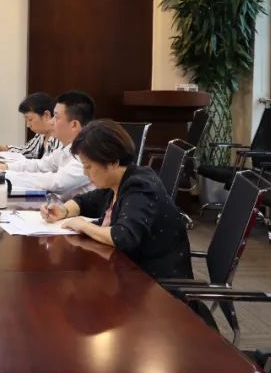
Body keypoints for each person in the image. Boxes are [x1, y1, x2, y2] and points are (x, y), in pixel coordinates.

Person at [42, 118, 193, 281]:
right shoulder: (117, 183)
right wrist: (64, 211)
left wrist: (83, 226)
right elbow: (85, 201)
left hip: (155, 285)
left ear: (113, 162)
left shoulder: (140, 186)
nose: (85, 173)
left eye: (88, 166)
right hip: (127, 273)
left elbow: (123, 237)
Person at [0, 90, 95, 200]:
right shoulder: (66, 148)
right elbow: (40, 165)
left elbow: (56, 182)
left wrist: (5, 175)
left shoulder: (87, 153)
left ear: (74, 125)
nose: (51, 122)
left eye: (56, 117)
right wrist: (8, 167)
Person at [0, 92, 61, 159]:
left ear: (46, 115)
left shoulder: (60, 138)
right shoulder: (41, 135)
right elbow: (27, 150)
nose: (28, 125)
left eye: (30, 119)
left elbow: (49, 167)